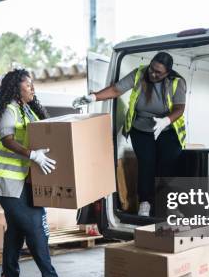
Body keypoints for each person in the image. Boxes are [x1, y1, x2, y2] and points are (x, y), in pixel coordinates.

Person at [73, 52, 186, 217]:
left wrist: (166, 121)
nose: (153, 74)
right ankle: (145, 204)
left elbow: (179, 108)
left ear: (167, 73)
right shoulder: (140, 73)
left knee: (167, 166)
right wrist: (93, 97)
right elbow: (116, 89)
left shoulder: (177, 82)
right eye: (152, 69)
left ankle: (170, 205)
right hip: (141, 129)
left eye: (158, 73)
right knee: (146, 165)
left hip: (166, 129)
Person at [0, 68, 68, 277]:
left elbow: (43, 132)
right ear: (16, 88)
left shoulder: (27, 110)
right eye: (28, 85)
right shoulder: (9, 110)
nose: (32, 89)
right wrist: (33, 155)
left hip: (25, 181)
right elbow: (7, 139)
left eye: (32, 85)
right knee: (35, 228)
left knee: (16, 231)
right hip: (7, 182)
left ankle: (9, 276)